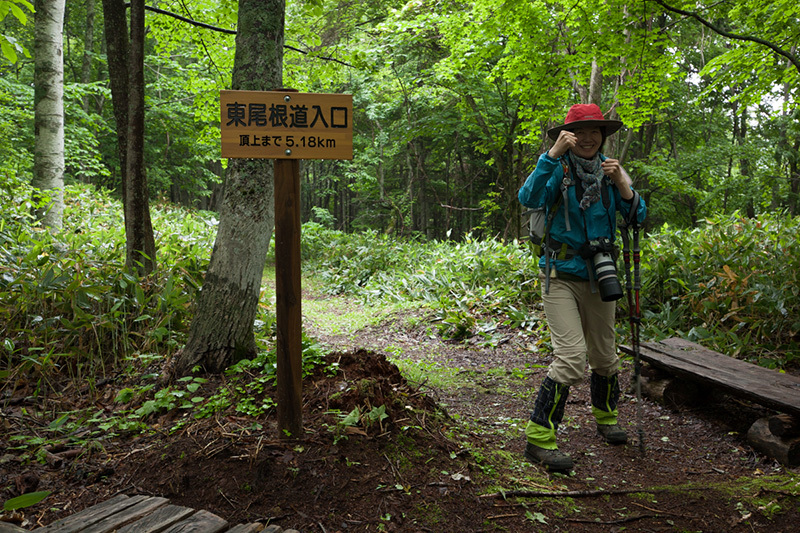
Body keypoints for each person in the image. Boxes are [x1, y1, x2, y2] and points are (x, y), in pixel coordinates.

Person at [518, 103, 647, 471]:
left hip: (600, 274)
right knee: (572, 358)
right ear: (568, 135)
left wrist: (623, 183)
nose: (589, 138)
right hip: (559, 274)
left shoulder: (611, 173)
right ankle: (539, 438)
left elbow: (638, 217)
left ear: (603, 136)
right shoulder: (555, 168)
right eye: (581, 131)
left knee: (605, 356)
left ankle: (606, 419)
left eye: (596, 132)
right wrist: (550, 155)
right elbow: (528, 198)